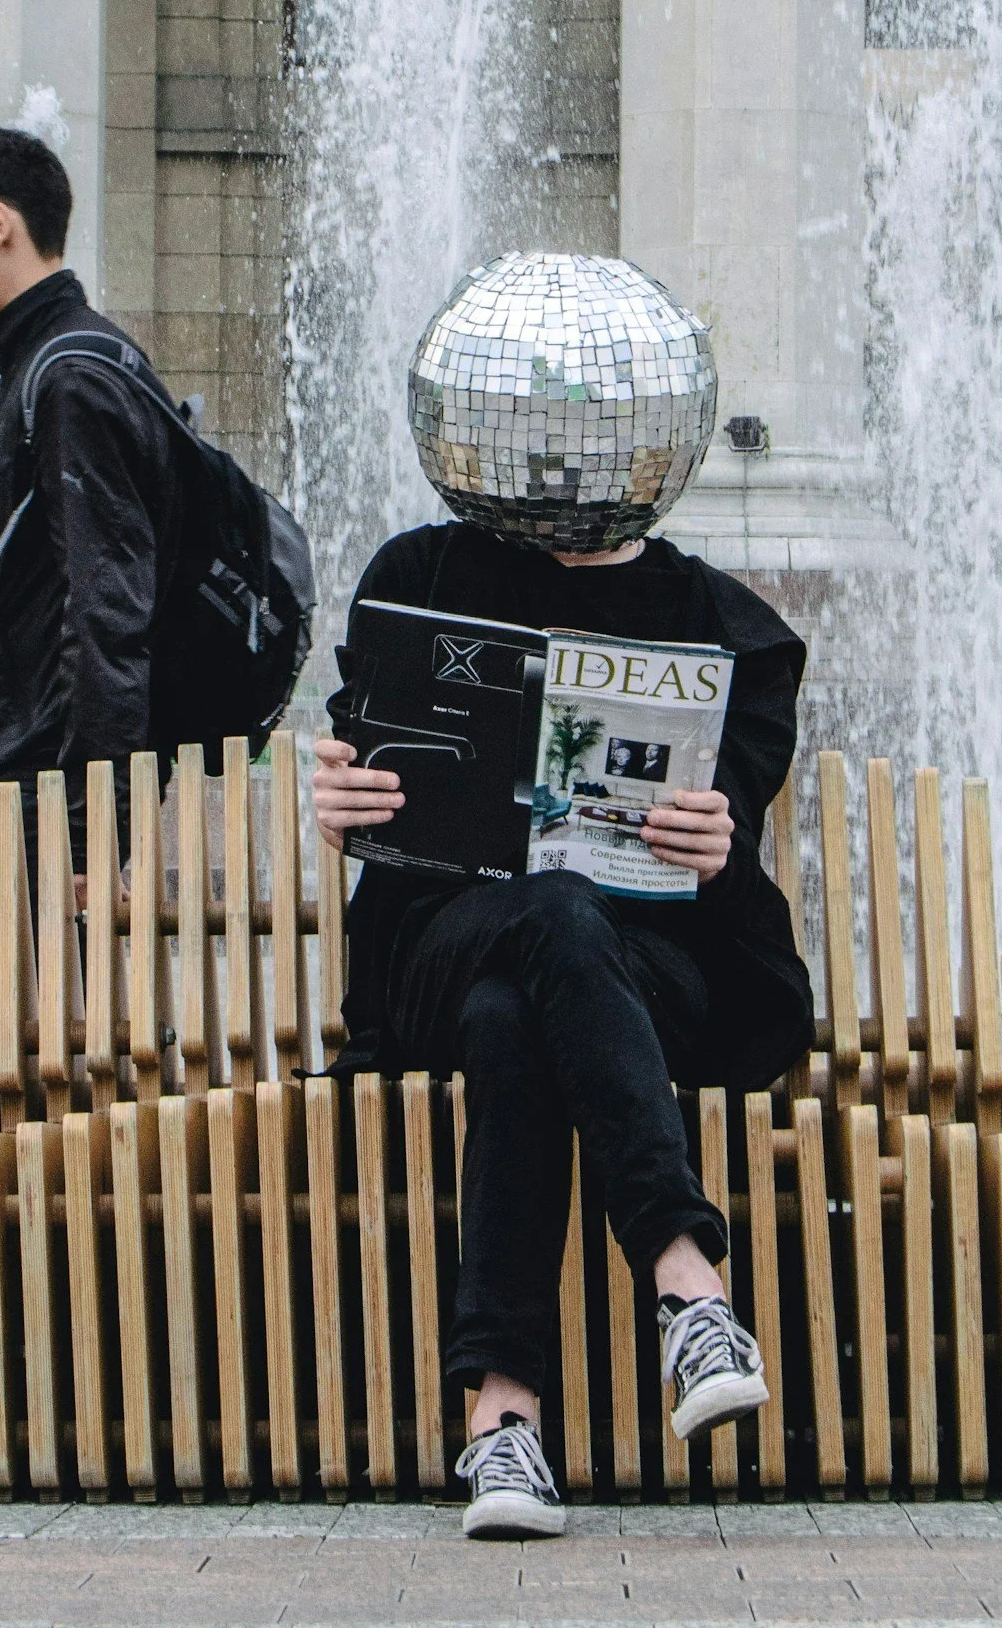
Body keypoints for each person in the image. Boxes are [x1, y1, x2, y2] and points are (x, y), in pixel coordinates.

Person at [312, 254, 814, 1540]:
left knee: (518, 1007)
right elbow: (363, 759)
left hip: (645, 977)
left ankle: (503, 1427)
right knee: (546, 909)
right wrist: (340, 796)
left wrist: (717, 838)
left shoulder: (731, 633)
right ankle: (686, 1285)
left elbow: (730, 845)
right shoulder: (418, 579)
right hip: (442, 933)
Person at [0, 126, 185, 910]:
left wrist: (94, 835)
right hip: (29, 812)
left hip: (43, 824)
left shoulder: (67, 378)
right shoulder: (63, 363)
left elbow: (107, 613)